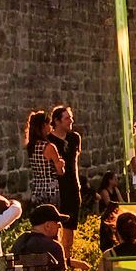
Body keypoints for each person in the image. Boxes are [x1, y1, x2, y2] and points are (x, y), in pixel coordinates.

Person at [13, 202, 70, 271]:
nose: (59, 227)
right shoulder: (54, 246)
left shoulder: (20, 242)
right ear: (47, 225)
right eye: (57, 224)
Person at [51, 105, 82, 260]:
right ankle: (55, 259)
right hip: (56, 187)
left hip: (72, 186)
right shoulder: (49, 140)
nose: (71, 121)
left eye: (71, 117)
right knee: (54, 225)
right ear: (57, 121)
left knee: (70, 226)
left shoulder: (74, 138)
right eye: (67, 118)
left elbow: (75, 161)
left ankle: (67, 259)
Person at [24, 110, 65, 218]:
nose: (50, 126)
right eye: (48, 123)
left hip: (37, 187)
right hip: (50, 188)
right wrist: (61, 164)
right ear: (43, 126)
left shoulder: (31, 147)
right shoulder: (49, 147)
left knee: (39, 219)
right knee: (52, 219)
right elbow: (60, 172)